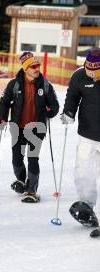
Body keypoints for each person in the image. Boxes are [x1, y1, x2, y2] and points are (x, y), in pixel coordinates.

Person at [0, 52, 59, 203]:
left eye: (37, 65)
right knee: (17, 159)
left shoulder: (45, 85)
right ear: (26, 69)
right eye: (33, 66)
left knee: (33, 159)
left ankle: (31, 189)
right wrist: (2, 117)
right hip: (18, 128)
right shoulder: (14, 84)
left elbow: (55, 105)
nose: (36, 68)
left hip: (36, 128)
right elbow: (4, 101)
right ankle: (21, 180)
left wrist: (50, 111)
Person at [62, 47, 100, 237]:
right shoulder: (79, 76)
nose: (91, 72)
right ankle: (86, 206)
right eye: (89, 68)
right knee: (84, 172)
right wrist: (69, 112)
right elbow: (72, 95)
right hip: (87, 134)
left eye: (96, 70)